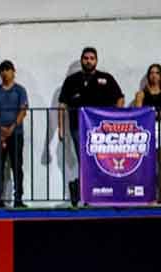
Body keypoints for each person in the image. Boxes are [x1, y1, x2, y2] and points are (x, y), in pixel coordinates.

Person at [58, 48, 124, 205]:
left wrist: (114, 119)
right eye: (86, 58)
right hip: (77, 128)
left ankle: (102, 194)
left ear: (96, 61)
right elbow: (62, 105)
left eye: (92, 58)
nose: (89, 61)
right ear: (82, 60)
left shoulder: (106, 78)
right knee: (85, 161)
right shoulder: (71, 80)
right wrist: (60, 128)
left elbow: (120, 99)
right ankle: (87, 196)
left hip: (102, 131)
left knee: (102, 161)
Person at [0, 60, 29, 208]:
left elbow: (23, 111)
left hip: (16, 133)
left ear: (13, 71)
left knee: (17, 166)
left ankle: (18, 198)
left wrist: (11, 127)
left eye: (7, 69)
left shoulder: (20, 90)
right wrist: (0, 128)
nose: (5, 73)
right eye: (2, 70)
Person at [134, 64, 161, 204]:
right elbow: (139, 111)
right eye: (151, 73)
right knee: (148, 163)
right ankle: (150, 195)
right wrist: (157, 112)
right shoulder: (141, 94)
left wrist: (153, 113)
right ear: (148, 75)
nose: (154, 75)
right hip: (147, 128)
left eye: (157, 73)